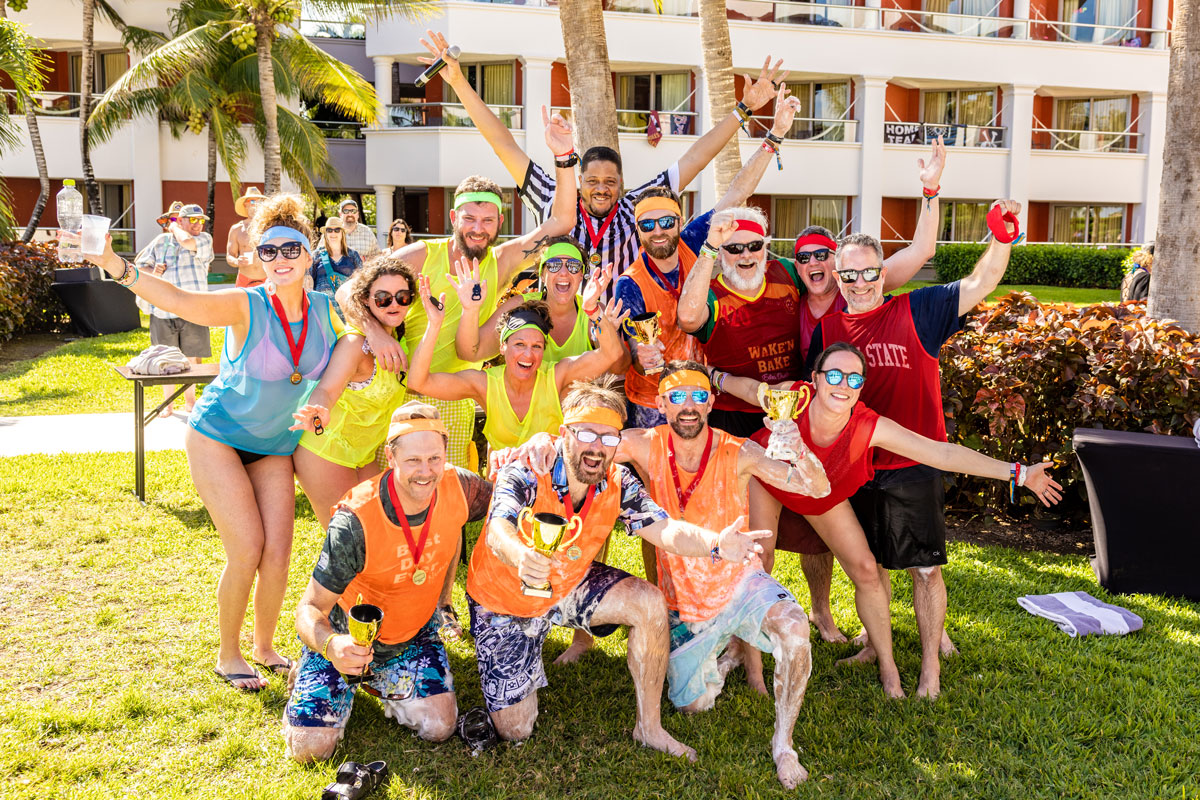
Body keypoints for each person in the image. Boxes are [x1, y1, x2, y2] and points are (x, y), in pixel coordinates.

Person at [70, 193, 341, 691]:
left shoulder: (327, 309)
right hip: (218, 435)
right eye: (268, 251)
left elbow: (368, 327)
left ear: (309, 256)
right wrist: (113, 264)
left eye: (290, 250)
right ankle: (228, 654)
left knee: (279, 552)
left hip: (275, 444)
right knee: (248, 548)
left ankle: (264, 647)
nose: (279, 259)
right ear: (258, 257)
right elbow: (179, 301)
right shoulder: (246, 303)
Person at [718, 342, 1062, 698]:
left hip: (818, 490)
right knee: (760, 560)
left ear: (861, 387)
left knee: (867, 570)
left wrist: (1019, 474)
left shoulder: (867, 425)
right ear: (816, 379)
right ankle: (754, 670)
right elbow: (750, 389)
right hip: (769, 479)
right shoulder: (796, 397)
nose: (843, 384)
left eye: (853, 379)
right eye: (834, 375)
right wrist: (713, 377)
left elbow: (941, 453)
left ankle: (888, 667)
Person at [464, 378, 772, 760]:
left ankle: (650, 727)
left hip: (568, 582)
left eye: (609, 437)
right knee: (516, 729)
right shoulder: (528, 469)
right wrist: (521, 556)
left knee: (649, 602)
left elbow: (665, 529)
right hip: (504, 598)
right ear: (564, 433)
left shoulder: (617, 481)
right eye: (586, 434)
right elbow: (498, 529)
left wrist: (715, 543)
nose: (597, 447)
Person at [802, 209, 1021, 698]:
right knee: (871, 567)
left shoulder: (917, 309)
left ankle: (929, 666)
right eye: (849, 275)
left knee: (925, 570)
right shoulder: (827, 330)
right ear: (838, 277)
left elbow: (981, 281)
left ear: (884, 272)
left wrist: (1002, 238)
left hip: (914, 465)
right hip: (857, 468)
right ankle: (875, 646)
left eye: (869, 272)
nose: (860, 283)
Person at [419, 29, 786, 287]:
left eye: (610, 182)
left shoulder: (638, 208)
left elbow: (696, 158)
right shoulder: (552, 195)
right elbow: (502, 145)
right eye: (592, 181)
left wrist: (744, 109)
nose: (601, 189)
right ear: (578, 180)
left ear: (621, 184)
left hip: (623, 336)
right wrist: (458, 83)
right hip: (560, 339)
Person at [613, 361, 830, 788]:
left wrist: (798, 448)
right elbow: (582, 442)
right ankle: (729, 654)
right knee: (692, 707)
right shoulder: (642, 444)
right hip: (685, 604)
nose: (688, 406)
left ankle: (784, 746)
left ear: (711, 403)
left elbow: (816, 488)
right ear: (660, 403)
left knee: (794, 629)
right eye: (677, 397)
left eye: (698, 396)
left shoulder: (738, 450)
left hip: (739, 583)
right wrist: (536, 447)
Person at [338, 107, 580, 469]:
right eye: (469, 218)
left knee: (450, 494)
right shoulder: (422, 255)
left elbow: (561, 220)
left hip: (454, 396)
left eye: (487, 220)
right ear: (454, 218)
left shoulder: (502, 261)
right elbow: (348, 291)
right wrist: (375, 333)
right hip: (400, 391)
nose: (478, 228)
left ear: (500, 221)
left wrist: (564, 156)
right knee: (390, 493)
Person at [675, 141, 944, 438]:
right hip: (738, 410)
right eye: (734, 248)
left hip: (812, 408)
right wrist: (710, 248)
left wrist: (930, 190)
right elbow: (688, 318)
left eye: (754, 246)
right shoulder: (752, 285)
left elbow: (916, 253)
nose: (745, 255)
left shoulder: (845, 286)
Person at [283, 403, 495, 762]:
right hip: (346, 639)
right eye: (413, 460)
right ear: (391, 456)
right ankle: (313, 668)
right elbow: (309, 608)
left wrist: (536, 456)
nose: (426, 472)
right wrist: (332, 646)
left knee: (440, 727)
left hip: (413, 636)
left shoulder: (460, 487)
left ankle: (379, 680)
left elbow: (513, 499)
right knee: (310, 750)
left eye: (435, 458)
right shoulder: (355, 520)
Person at [615, 86, 804, 434]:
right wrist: (643, 356)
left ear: (679, 222)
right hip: (653, 401)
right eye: (647, 225)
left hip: (703, 394)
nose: (658, 231)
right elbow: (634, 354)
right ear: (637, 231)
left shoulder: (693, 241)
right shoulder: (630, 283)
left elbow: (738, 192)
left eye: (666, 221)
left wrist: (775, 134)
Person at [408, 269, 629, 452]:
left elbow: (611, 354)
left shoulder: (556, 376)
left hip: (551, 487)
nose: (528, 355)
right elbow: (418, 382)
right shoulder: (484, 384)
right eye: (519, 344)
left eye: (536, 346)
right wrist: (434, 325)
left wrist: (592, 310)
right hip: (503, 487)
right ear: (502, 347)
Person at [291, 256, 415, 531]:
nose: (394, 304)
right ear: (366, 300)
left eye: (402, 297)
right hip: (326, 450)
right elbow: (326, 390)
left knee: (378, 534)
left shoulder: (397, 339)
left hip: (363, 454)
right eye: (383, 298)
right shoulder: (355, 343)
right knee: (348, 539)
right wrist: (319, 409)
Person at [454, 237, 607, 365]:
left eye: (573, 266)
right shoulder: (519, 307)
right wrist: (470, 310)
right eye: (554, 265)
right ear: (542, 274)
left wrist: (601, 322)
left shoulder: (593, 311)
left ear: (580, 275)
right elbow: (470, 353)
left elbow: (616, 368)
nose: (563, 273)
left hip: (580, 394)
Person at [135, 201, 216, 417]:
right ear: (181, 220)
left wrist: (173, 226)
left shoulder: (204, 239)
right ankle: (167, 404)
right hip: (163, 310)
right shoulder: (160, 242)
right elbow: (140, 266)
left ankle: (190, 402)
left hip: (194, 309)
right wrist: (154, 271)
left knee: (192, 358)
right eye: (193, 220)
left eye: (201, 220)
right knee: (164, 358)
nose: (198, 224)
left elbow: (187, 241)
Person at [309, 216, 364, 302]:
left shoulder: (353, 255)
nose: (333, 233)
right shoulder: (316, 255)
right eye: (329, 230)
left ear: (342, 233)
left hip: (347, 306)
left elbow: (362, 281)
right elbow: (308, 281)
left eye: (337, 230)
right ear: (325, 234)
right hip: (323, 307)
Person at [227, 186, 267, 287]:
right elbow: (230, 255)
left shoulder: (270, 227)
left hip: (267, 280)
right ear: (245, 204)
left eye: (259, 201)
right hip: (244, 280)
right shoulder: (237, 229)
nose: (256, 204)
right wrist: (236, 261)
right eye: (252, 201)